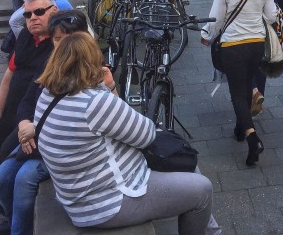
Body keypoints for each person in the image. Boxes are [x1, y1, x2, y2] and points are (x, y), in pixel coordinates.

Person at [35, 31, 217, 234]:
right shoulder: (94, 102)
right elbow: (146, 135)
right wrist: (110, 86)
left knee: (184, 161)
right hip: (108, 201)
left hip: (77, 194)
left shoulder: (47, 95)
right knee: (202, 189)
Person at [0, 9, 90, 235]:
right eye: (57, 39)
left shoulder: (90, 67)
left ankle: (20, 230)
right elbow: (27, 99)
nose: (63, 45)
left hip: (58, 145)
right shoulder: (49, 63)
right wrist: (25, 123)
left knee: (24, 179)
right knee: (0, 179)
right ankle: (14, 220)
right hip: (34, 138)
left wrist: (34, 131)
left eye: (69, 39)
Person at [202, 0, 278, 166]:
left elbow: (217, 15)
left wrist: (206, 35)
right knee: (246, 87)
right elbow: (272, 16)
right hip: (256, 45)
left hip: (232, 46)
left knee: (237, 92)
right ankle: (239, 127)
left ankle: (251, 137)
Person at [0, 0, 58, 174]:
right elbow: (10, 73)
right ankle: (2, 188)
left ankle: (7, 189)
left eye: (39, 12)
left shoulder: (58, 43)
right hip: (13, 108)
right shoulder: (26, 35)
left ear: (54, 11)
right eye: (27, 15)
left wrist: (27, 123)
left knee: (6, 150)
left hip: (34, 115)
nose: (33, 18)